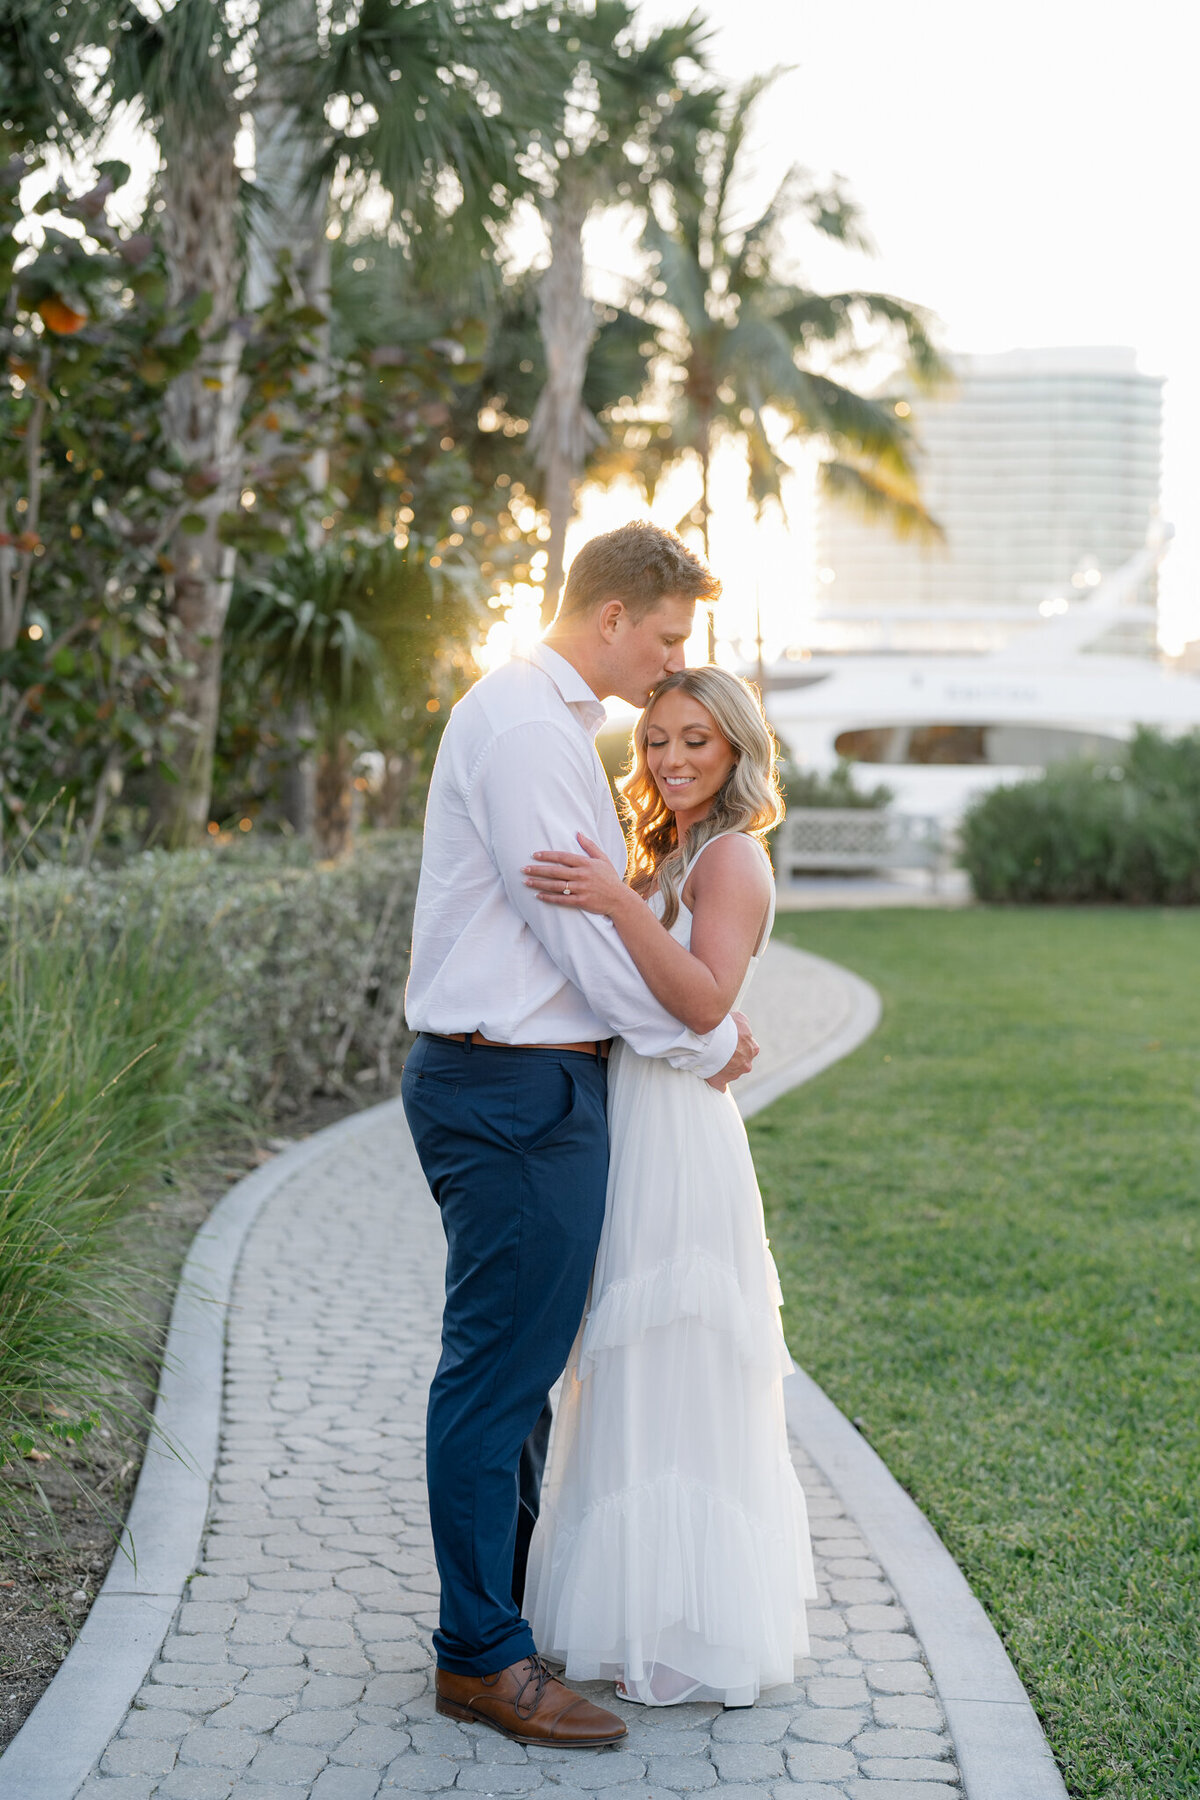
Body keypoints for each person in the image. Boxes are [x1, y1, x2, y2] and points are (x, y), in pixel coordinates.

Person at [401, 523, 760, 1748]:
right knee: (498, 1370)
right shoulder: (525, 731)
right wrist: (708, 1047)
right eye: (665, 638)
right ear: (614, 617)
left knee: (522, 1371)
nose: (669, 668)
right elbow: (583, 948)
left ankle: (490, 1617)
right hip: (509, 1090)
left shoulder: (550, 725)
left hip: (536, 1089)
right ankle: (480, 1658)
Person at [521, 666, 816, 1707]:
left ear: (736, 747)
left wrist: (612, 900)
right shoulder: (665, 850)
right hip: (632, 1117)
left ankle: (691, 1627)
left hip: (683, 1141)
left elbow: (700, 1002)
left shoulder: (731, 858)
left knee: (677, 1357)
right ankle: (627, 1610)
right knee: (621, 1365)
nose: (672, 760)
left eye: (695, 740)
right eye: (655, 742)